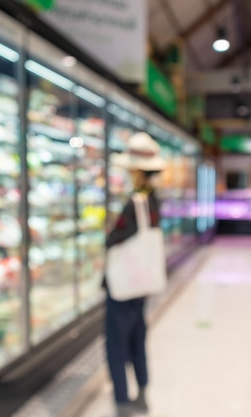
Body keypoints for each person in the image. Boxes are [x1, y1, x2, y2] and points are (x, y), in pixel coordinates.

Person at [105, 132, 165, 417]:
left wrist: (109, 232)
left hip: (124, 285)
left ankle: (122, 400)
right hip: (142, 283)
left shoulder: (135, 203)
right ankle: (142, 391)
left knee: (117, 344)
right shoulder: (155, 200)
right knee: (138, 338)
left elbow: (115, 237)